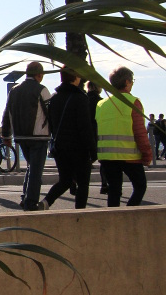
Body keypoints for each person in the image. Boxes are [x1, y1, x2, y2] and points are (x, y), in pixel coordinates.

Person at [36, 68, 97, 209]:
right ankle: (79, 214)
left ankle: (46, 202)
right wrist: (92, 149)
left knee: (65, 180)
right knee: (83, 183)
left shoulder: (54, 97)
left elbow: (50, 122)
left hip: (60, 146)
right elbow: (85, 127)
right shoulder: (80, 98)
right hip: (79, 148)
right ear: (75, 77)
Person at [96, 67, 152, 207]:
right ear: (127, 82)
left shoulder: (101, 104)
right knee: (140, 186)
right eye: (132, 81)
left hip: (107, 156)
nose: (132, 84)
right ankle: (129, 214)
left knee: (114, 191)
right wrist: (147, 154)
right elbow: (140, 132)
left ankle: (113, 221)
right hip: (129, 156)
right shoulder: (133, 102)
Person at [1, 62, 52, 211]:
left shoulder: (14, 91)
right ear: (39, 75)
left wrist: (6, 134)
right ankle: (30, 202)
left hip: (21, 136)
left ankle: (25, 197)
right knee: (36, 171)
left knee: (31, 167)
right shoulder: (41, 90)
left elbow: (6, 113)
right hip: (39, 136)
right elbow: (51, 112)